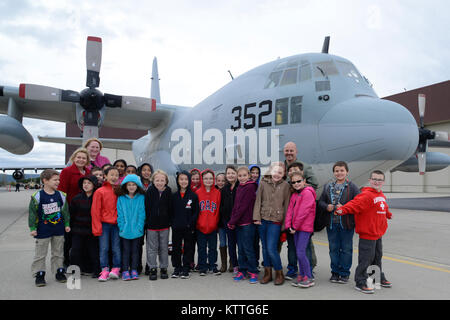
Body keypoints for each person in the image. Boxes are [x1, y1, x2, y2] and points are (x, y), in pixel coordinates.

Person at [336, 170, 393, 294]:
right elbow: (354, 204)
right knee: (366, 258)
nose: (377, 182)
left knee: (377, 257)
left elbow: (384, 207)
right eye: (374, 179)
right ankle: (360, 281)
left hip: (378, 233)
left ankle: (375, 277)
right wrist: (342, 209)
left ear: (383, 182)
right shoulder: (366, 195)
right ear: (370, 180)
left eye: (379, 180)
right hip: (368, 233)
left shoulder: (381, 195)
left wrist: (388, 215)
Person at [318, 161, 360, 284]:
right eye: (337, 171)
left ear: (347, 172)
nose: (339, 173)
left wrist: (346, 207)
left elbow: (358, 203)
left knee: (346, 249)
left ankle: (344, 273)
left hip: (346, 224)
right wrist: (327, 206)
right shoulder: (328, 186)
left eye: (342, 170)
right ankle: (335, 272)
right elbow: (320, 202)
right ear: (334, 173)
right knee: (333, 249)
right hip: (331, 224)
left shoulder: (352, 187)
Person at [29, 169, 70, 287]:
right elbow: (32, 213)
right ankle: (39, 274)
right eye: (55, 180)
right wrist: (32, 227)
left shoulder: (61, 195)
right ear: (45, 181)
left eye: (58, 180)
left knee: (58, 253)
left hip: (58, 229)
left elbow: (65, 212)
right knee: (40, 254)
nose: (58, 182)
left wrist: (67, 224)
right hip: (42, 230)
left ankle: (59, 272)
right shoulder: (37, 196)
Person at [253, 162, 291, 285]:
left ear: (283, 174)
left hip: (276, 220)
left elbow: (287, 206)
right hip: (263, 219)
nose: (277, 174)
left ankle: (279, 273)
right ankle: (267, 273)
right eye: (275, 171)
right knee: (264, 248)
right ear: (270, 171)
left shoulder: (286, 186)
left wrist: (285, 223)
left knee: (271, 248)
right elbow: (258, 200)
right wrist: (256, 217)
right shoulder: (263, 183)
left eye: (280, 172)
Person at [58, 147, 91, 268]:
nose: (81, 160)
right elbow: (61, 192)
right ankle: (66, 261)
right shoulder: (67, 171)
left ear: (87, 160)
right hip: (70, 210)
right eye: (79, 157)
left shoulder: (88, 172)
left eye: (84, 158)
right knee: (68, 238)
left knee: (82, 238)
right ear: (73, 158)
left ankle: (80, 262)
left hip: (85, 210)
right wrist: (63, 210)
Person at [285, 171, 316, 288]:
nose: (296, 183)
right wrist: (288, 226)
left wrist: (294, 226)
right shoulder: (295, 195)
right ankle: (302, 275)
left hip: (304, 228)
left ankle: (308, 276)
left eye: (299, 181)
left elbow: (303, 212)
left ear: (304, 181)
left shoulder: (307, 193)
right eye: (293, 182)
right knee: (299, 252)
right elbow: (289, 211)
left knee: (300, 252)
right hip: (296, 228)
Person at [227, 167, 258, 284]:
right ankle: (242, 270)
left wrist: (233, 221)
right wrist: (232, 220)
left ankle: (253, 271)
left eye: (244, 175)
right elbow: (236, 206)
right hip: (238, 223)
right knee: (240, 249)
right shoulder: (240, 186)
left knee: (248, 248)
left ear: (249, 175)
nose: (242, 178)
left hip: (247, 223)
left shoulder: (250, 187)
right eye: (240, 176)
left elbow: (243, 207)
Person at [91, 166, 121, 281]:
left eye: (116, 175)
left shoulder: (120, 190)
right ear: (105, 176)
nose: (114, 177)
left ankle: (116, 268)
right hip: (104, 224)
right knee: (103, 248)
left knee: (116, 248)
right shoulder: (100, 191)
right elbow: (95, 211)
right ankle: (104, 270)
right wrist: (97, 227)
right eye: (112, 175)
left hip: (117, 224)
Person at [69, 175, 100, 278]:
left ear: (94, 185)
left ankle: (95, 270)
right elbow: (71, 214)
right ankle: (75, 271)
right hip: (78, 230)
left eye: (89, 183)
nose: (86, 185)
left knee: (93, 251)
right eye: (84, 183)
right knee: (76, 250)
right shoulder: (76, 199)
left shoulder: (97, 197)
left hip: (92, 230)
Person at [116, 174, 146, 281]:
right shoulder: (121, 198)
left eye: (134, 184)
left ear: (137, 186)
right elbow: (120, 214)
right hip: (125, 231)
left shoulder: (141, 198)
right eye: (129, 185)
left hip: (137, 231)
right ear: (125, 186)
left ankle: (134, 269)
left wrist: (139, 227)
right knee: (125, 251)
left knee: (135, 251)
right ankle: (125, 270)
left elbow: (142, 214)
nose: (131, 187)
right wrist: (122, 227)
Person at [171, 171, 199, 279]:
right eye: (181, 179)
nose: (183, 181)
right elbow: (171, 212)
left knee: (188, 248)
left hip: (189, 228)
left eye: (186, 179)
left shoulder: (193, 196)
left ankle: (186, 268)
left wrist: (190, 224)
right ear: (178, 181)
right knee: (176, 248)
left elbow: (196, 212)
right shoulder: (174, 196)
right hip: (176, 227)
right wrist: (173, 223)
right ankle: (177, 267)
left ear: (189, 181)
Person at [145, 170, 173, 280]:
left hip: (164, 225)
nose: (160, 182)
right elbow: (147, 207)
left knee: (164, 247)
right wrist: (147, 221)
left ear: (166, 181)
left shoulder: (168, 191)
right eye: (157, 180)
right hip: (152, 225)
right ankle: (152, 267)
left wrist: (169, 221)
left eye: (162, 180)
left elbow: (170, 208)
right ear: (153, 181)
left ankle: (163, 267)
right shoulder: (150, 191)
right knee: (152, 248)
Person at [195, 169, 221, 276]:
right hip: (200, 226)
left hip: (213, 226)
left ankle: (212, 265)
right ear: (202, 179)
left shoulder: (217, 193)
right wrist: (198, 223)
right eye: (206, 178)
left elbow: (218, 209)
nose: (208, 180)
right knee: (201, 248)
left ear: (213, 180)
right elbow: (196, 211)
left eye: (211, 178)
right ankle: (202, 266)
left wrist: (215, 223)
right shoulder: (197, 193)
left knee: (213, 247)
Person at [219, 165, 239, 274]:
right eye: (228, 173)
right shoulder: (224, 190)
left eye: (232, 173)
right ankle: (233, 264)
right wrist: (225, 219)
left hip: (239, 222)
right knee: (231, 244)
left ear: (236, 174)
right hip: (228, 221)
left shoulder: (240, 187)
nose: (230, 175)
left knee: (240, 244)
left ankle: (240, 264)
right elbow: (221, 206)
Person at [137, 162, 153, 274]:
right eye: (144, 170)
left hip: (151, 218)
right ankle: (137, 265)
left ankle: (150, 265)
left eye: (148, 170)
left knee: (151, 244)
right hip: (139, 218)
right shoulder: (136, 184)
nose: (146, 172)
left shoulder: (154, 184)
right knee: (138, 243)